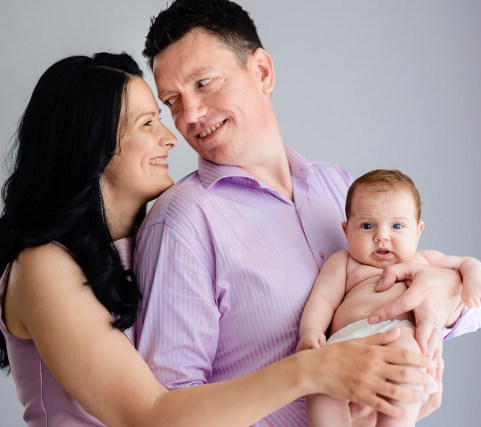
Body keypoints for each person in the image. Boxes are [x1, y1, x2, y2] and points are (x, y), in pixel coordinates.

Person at [0, 52, 435, 427]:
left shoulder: (136, 248)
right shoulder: (42, 266)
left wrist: (447, 282)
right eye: (149, 122)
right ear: (90, 142)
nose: (171, 137)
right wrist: (314, 370)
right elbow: (148, 415)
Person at [135, 1, 481, 425]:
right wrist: (309, 372)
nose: (190, 115)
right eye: (173, 101)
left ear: (262, 71)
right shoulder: (181, 222)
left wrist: (448, 288)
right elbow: (168, 411)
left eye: (204, 83)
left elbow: (435, 295)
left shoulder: (337, 185)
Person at [297, 169, 481, 426]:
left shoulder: (424, 259)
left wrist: (477, 282)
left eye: (397, 226)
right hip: (344, 344)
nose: (382, 236)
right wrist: (311, 331)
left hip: (398, 335)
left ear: (418, 231)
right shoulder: (343, 262)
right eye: (367, 226)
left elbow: (468, 263)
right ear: (346, 230)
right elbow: (323, 299)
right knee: (319, 386)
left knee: (406, 368)